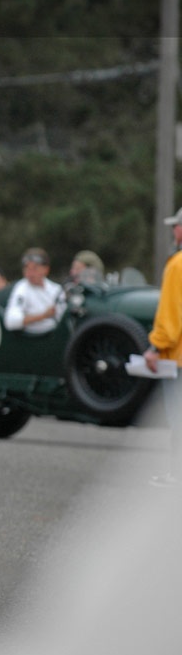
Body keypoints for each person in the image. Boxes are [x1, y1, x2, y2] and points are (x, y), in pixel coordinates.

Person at [143, 207, 182, 486]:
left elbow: (171, 316)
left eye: (176, 226)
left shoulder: (177, 264)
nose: (173, 231)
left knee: (178, 418)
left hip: (178, 359)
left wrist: (155, 347)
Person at [3, 247, 66, 334]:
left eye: (35, 268)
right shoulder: (22, 289)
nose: (30, 273)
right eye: (27, 268)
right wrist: (43, 316)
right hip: (34, 341)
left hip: (56, 336)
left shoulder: (56, 289)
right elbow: (11, 322)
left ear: (46, 269)